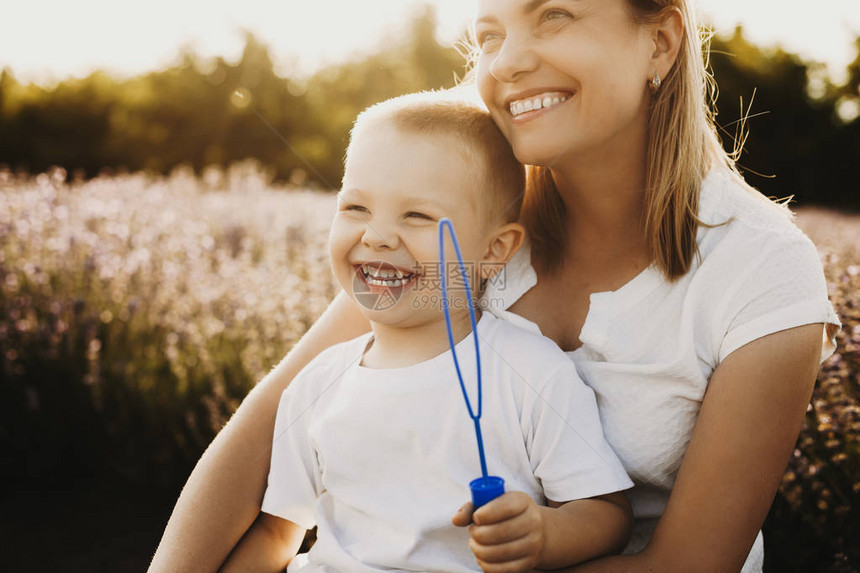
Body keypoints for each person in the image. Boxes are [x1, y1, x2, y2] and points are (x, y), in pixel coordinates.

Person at [149, 1, 842, 572]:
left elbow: (688, 565)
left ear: (660, 42)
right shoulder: (461, 203)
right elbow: (267, 430)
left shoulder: (761, 270)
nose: (506, 60)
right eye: (489, 34)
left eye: (555, 16)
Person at [218, 93, 633, 573]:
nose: (376, 236)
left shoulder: (531, 374)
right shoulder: (317, 384)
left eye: (416, 216)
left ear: (495, 249)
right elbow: (277, 531)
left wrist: (545, 534)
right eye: (355, 207)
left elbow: (607, 513)